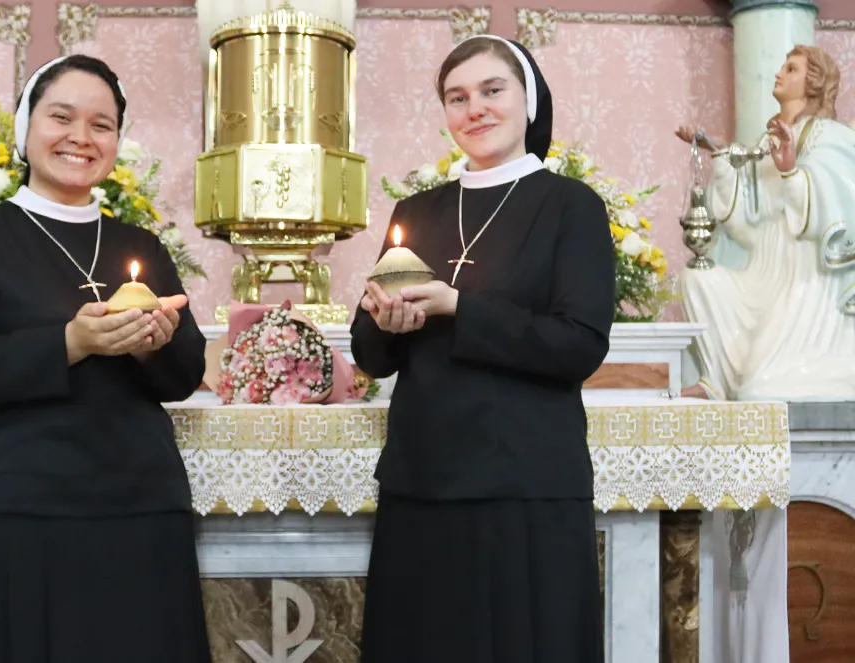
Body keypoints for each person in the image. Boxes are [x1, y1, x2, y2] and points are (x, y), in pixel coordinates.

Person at [0, 54, 211, 662]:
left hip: (136, 504)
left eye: (102, 125)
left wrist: (156, 345)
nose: (81, 137)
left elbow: (184, 374)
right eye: (61, 117)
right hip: (12, 507)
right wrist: (71, 343)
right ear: (26, 128)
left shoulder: (140, 245)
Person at [352, 35, 613, 662]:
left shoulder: (570, 205)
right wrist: (387, 324)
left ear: (529, 99)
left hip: (526, 483)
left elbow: (578, 344)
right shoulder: (419, 210)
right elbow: (370, 355)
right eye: (457, 97)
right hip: (424, 480)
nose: (475, 108)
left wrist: (459, 307)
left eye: (492, 90)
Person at [675, 44, 855, 401]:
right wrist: (720, 155)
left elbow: (835, 200)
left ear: (814, 82)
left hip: (806, 278)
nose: (778, 73)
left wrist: (791, 173)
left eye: (791, 69)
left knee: (760, 387)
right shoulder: (766, 141)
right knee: (697, 279)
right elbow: (744, 219)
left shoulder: (830, 135)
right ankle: (715, 380)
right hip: (764, 269)